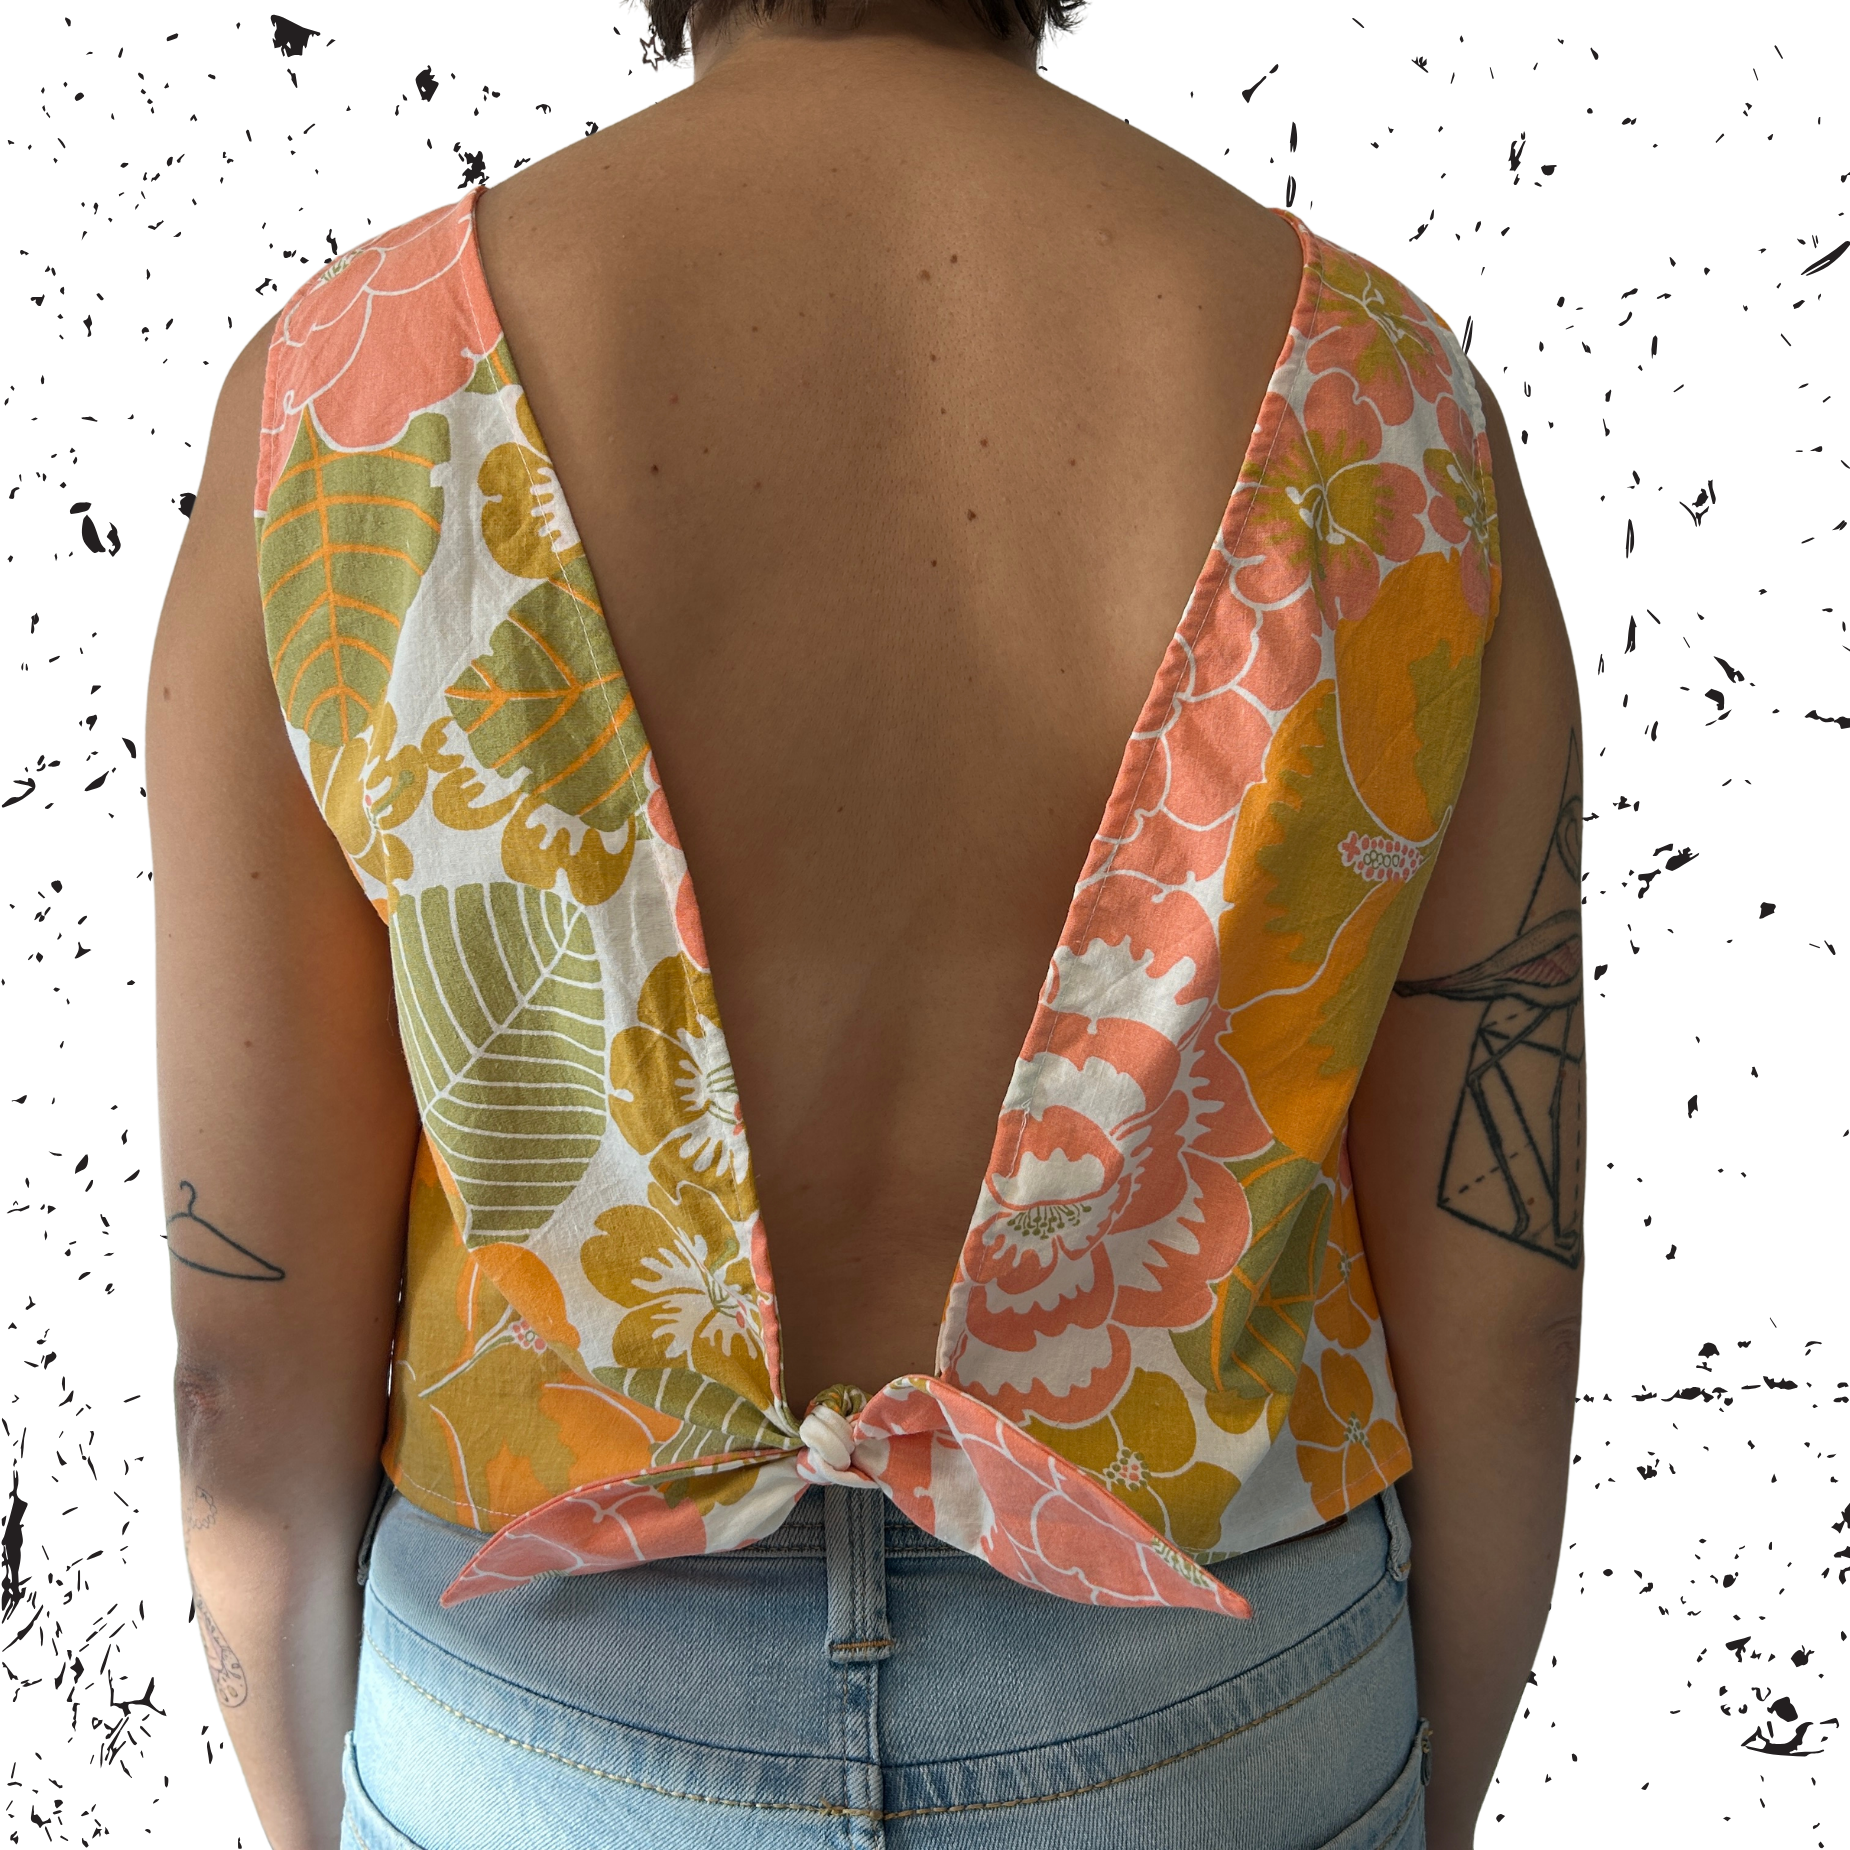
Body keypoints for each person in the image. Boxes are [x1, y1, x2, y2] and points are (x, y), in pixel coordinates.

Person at [148, 1, 1585, 1844]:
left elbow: (243, 1372)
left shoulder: (345, 392)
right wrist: (1397, 1793)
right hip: (1208, 1699)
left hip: (550, 1727)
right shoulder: (1387, 401)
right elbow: (1500, 1300)